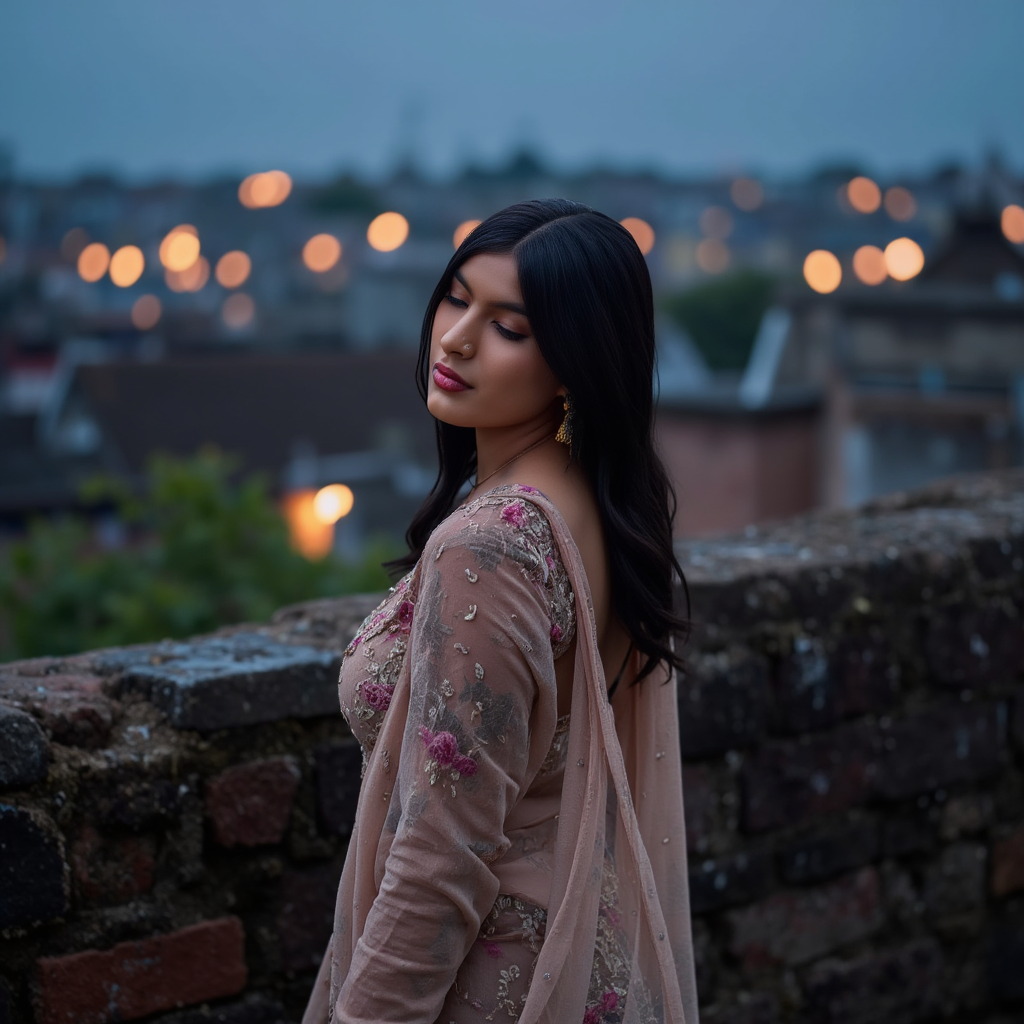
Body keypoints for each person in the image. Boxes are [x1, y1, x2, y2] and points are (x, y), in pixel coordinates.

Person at [303, 199, 698, 1024]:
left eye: (509, 327)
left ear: (573, 364)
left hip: (488, 985)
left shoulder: (488, 546)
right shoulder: (591, 501)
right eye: (456, 298)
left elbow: (443, 853)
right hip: (578, 951)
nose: (455, 337)